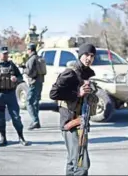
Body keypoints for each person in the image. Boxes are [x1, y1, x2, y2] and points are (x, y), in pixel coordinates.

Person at [49, 44, 98, 176]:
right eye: (86, 55)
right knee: (81, 162)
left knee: (73, 159)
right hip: (71, 121)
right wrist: (77, 93)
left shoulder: (86, 72)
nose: (89, 58)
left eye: (92, 56)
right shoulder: (71, 72)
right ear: (80, 55)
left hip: (81, 120)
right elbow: (53, 94)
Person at [0, 46, 28, 146]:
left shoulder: (12, 65)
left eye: (6, 54)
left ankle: (21, 137)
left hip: (11, 95)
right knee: (1, 119)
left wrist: (16, 79)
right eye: (3, 54)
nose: (5, 55)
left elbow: (20, 77)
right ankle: (3, 138)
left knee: (16, 117)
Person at [24, 43, 45, 130]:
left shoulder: (32, 59)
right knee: (35, 102)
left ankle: (35, 121)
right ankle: (37, 122)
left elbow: (29, 72)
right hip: (39, 82)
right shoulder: (39, 58)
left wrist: (24, 69)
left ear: (30, 50)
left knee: (28, 102)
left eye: (27, 49)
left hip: (33, 82)